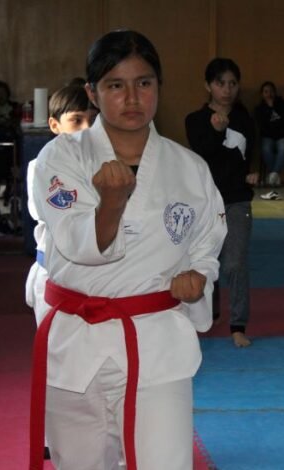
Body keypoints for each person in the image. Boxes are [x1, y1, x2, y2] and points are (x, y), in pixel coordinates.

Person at [28, 30, 227, 470]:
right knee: (78, 463)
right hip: (78, 343)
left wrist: (199, 276)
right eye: (115, 85)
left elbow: (207, 239)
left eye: (145, 83)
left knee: (164, 462)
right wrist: (111, 205)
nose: (132, 97)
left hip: (155, 339)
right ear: (92, 93)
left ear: (159, 87)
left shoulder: (189, 168)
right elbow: (73, 243)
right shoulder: (60, 159)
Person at [23, 84, 95, 460]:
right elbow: (51, 215)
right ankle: (53, 437)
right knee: (55, 359)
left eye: (91, 120)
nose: (85, 128)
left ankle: (96, 433)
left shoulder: (105, 162)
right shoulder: (41, 167)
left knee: (93, 363)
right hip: (52, 278)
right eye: (76, 120)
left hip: (91, 281)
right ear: (54, 125)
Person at [185, 57, 257, 348]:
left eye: (232, 84)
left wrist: (253, 170)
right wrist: (216, 132)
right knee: (206, 262)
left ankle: (238, 324)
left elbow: (248, 152)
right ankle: (208, 313)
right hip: (206, 203)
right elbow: (202, 154)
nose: (227, 90)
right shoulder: (195, 120)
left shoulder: (245, 119)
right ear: (208, 86)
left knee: (235, 263)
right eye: (220, 83)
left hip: (238, 200)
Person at [254, 81, 284, 187]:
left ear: (275, 92)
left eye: (271, 91)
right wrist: (270, 109)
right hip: (268, 136)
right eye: (266, 92)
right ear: (262, 94)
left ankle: (272, 174)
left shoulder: (283, 104)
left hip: (283, 135)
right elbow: (263, 125)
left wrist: (273, 110)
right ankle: (275, 175)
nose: (269, 94)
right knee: (265, 148)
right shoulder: (259, 109)